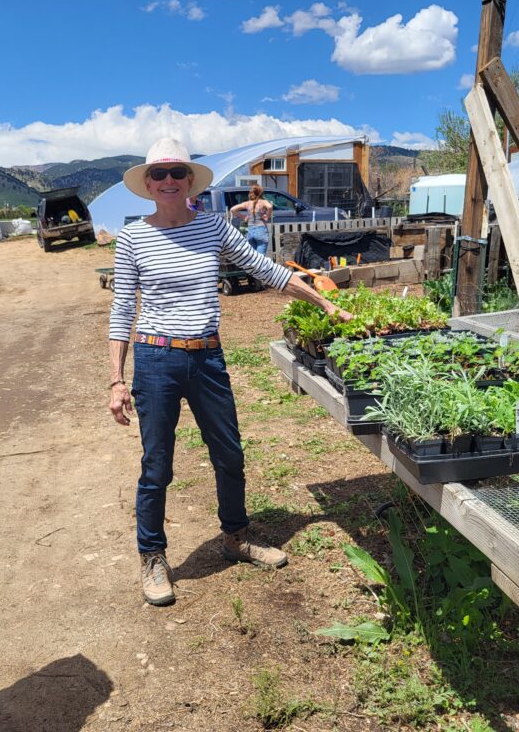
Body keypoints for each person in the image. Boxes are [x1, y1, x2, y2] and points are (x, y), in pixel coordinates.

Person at [107, 137, 351, 606]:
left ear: (189, 181)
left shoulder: (214, 228)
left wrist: (325, 302)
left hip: (207, 358)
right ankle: (153, 557)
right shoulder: (134, 237)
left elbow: (266, 269)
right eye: (159, 175)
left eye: (177, 173)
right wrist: (117, 380)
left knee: (230, 453)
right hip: (155, 360)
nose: (169, 182)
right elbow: (122, 311)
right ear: (148, 183)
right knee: (157, 464)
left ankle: (235, 536)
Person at [229, 184, 274, 257]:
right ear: (260, 193)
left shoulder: (247, 203)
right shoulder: (262, 202)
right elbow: (270, 206)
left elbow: (232, 209)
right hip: (261, 230)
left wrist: (242, 216)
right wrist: (267, 216)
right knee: (260, 258)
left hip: (249, 230)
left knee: (252, 257)